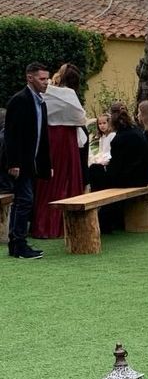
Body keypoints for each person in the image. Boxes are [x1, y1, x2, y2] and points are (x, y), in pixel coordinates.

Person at [31, 63, 87, 239]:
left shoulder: (48, 92)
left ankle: (44, 225)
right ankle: (65, 225)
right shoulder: (70, 95)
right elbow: (80, 117)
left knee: (49, 180)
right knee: (68, 178)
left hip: (51, 137)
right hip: (67, 138)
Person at [5, 62, 52, 258]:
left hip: (32, 163)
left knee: (24, 202)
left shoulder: (40, 102)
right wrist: (13, 163)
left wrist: (46, 165)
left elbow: (42, 137)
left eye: (47, 79)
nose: (46, 83)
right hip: (21, 163)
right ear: (30, 78)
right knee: (24, 201)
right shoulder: (19, 101)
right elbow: (11, 135)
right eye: (42, 79)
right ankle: (18, 244)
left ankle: (17, 244)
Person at [89, 102, 148, 232]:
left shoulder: (119, 139)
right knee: (98, 169)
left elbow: (116, 169)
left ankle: (101, 208)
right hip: (142, 176)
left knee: (94, 170)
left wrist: (105, 167)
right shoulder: (137, 131)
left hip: (128, 179)